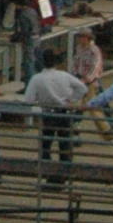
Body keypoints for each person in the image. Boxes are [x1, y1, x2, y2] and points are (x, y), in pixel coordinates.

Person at [25, 49, 89, 182]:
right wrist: (71, 99)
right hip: (64, 113)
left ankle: (50, 175)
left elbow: (28, 100)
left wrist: (39, 99)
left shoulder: (36, 78)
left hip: (48, 114)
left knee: (45, 147)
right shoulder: (64, 76)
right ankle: (63, 176)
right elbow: (83, 88)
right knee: (65, 146)